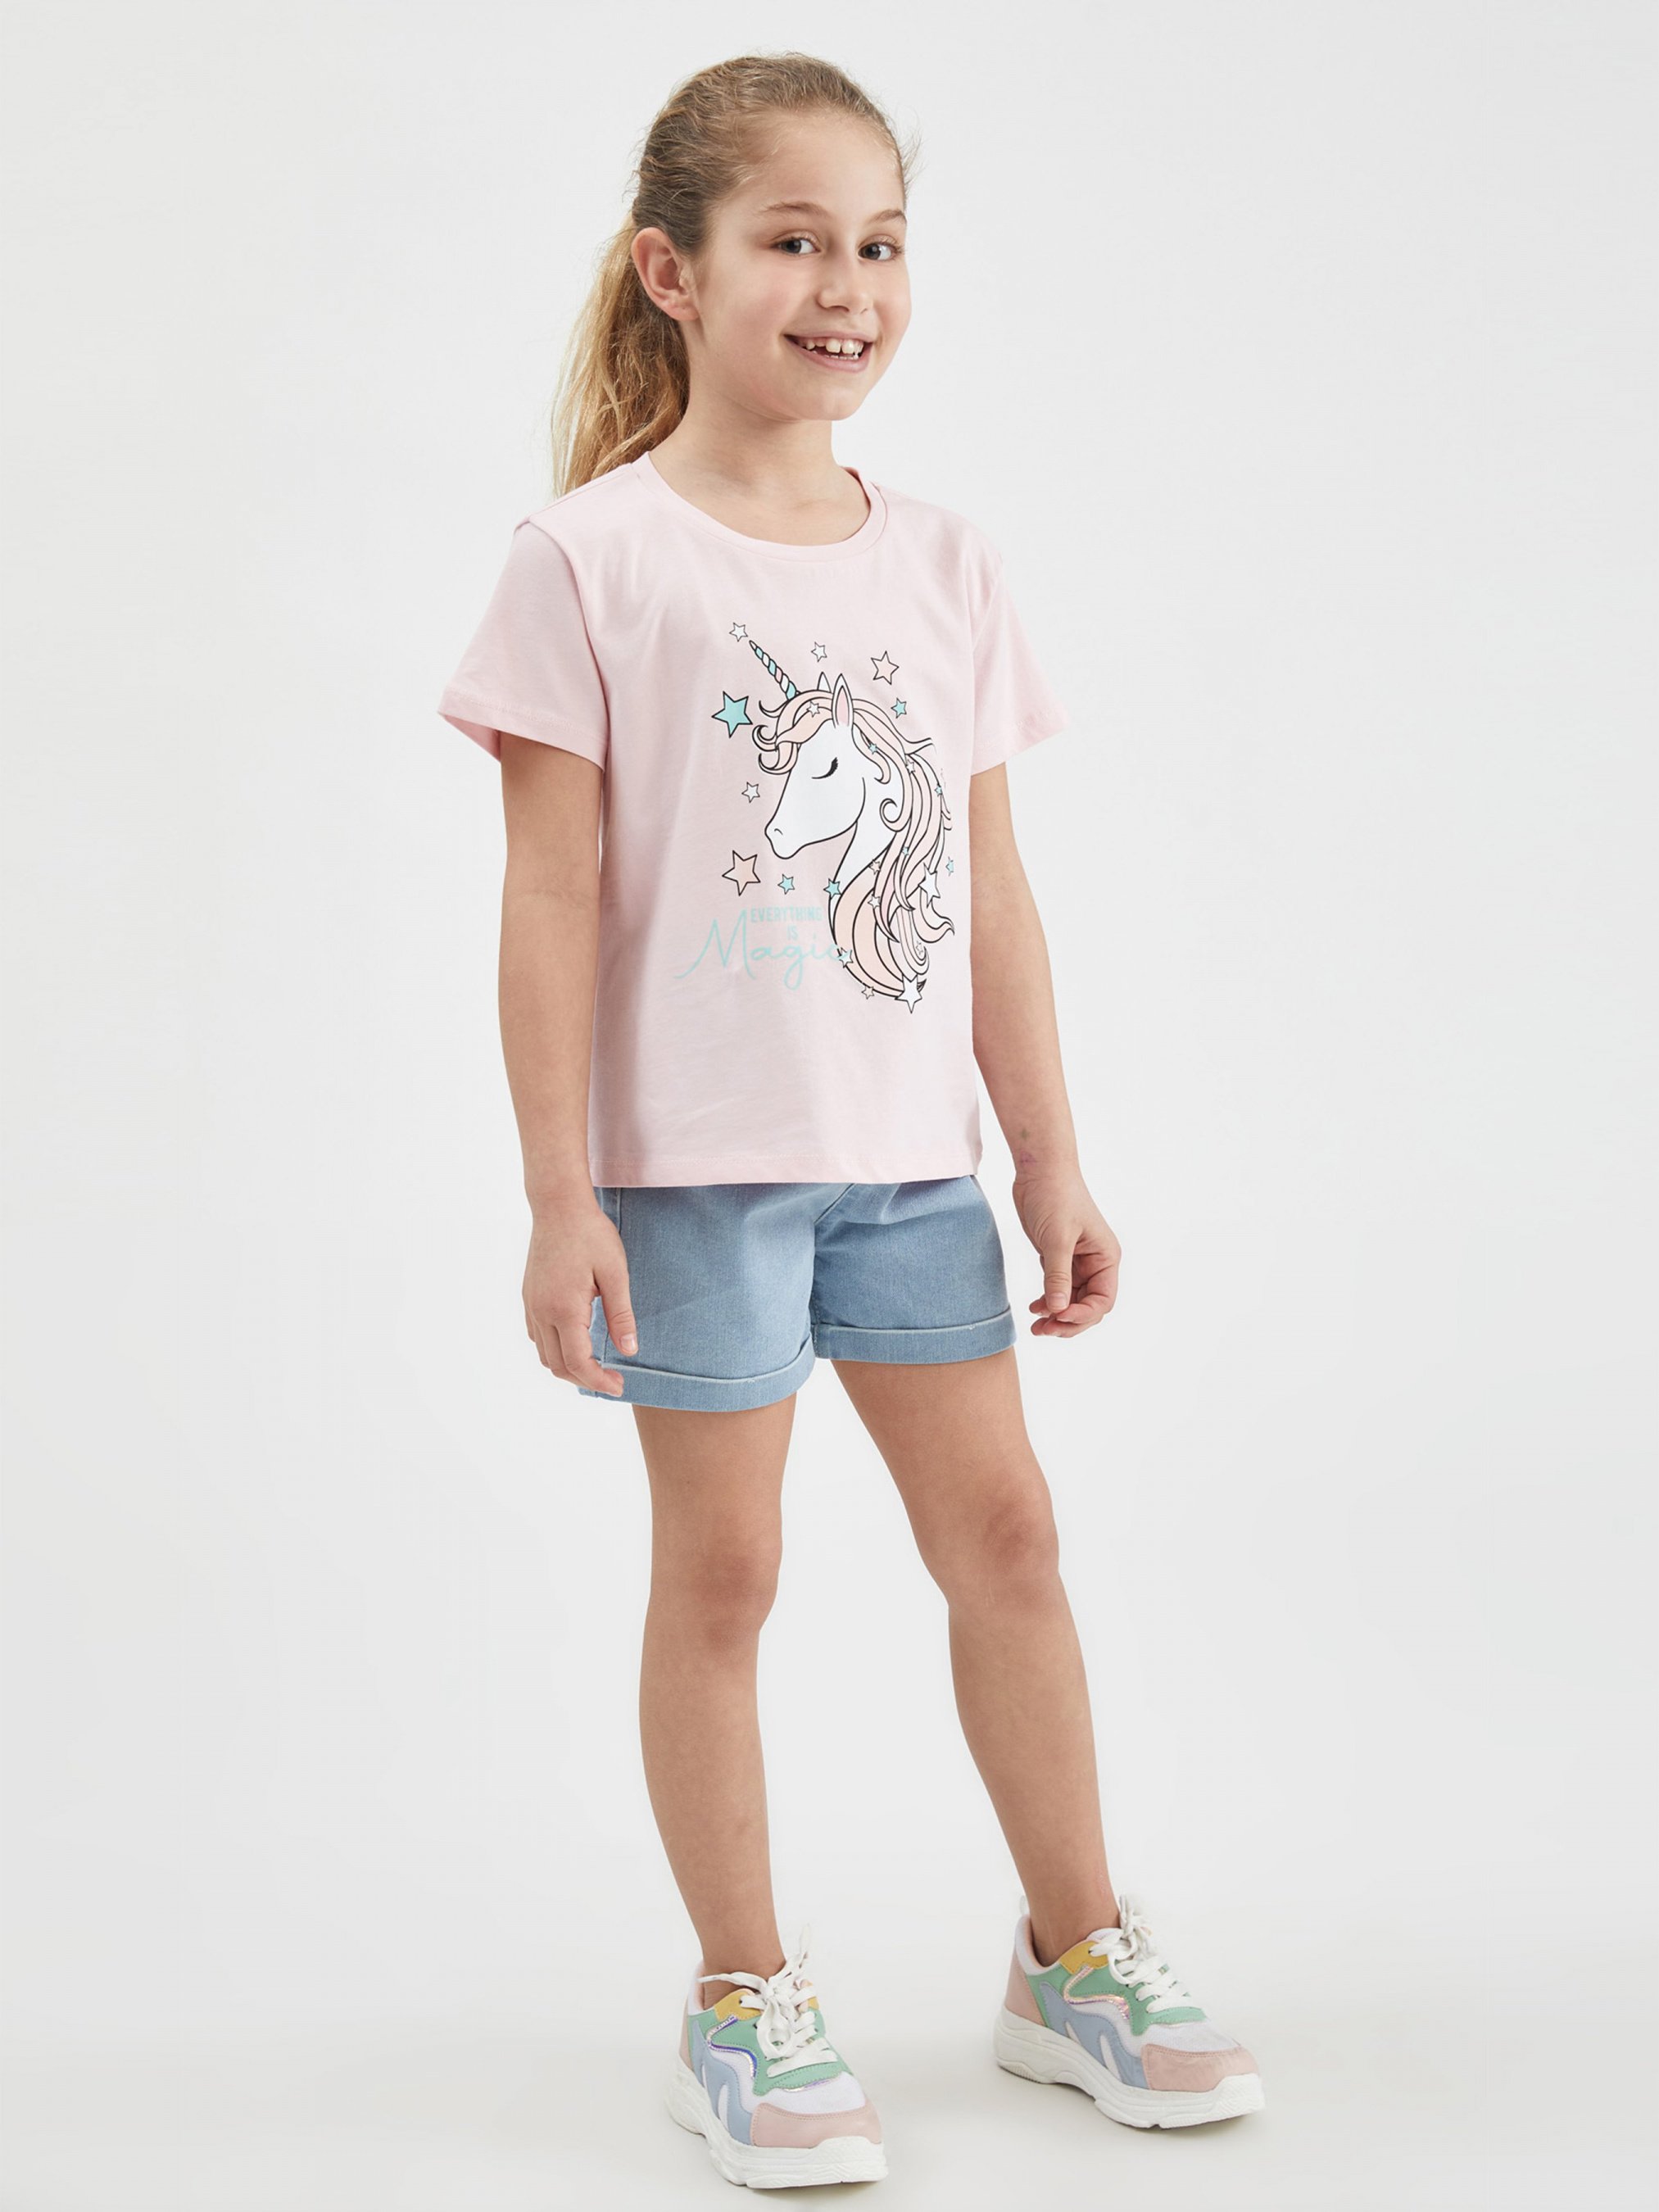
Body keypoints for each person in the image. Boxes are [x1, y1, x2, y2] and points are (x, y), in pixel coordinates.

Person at [437, 50, 1262, 2194]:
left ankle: (1073, 1952)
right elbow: (544, 901)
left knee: (1010, 1542)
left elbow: (991, 893)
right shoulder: (589, 559)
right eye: (793, 240)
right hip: (691, 1186)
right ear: (673, 272)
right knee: (723, 1572)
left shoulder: (946, 563)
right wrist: (554, 1193)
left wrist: (1048, 1154)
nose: (847, 287)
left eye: (879, 243)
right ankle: (741, 1992)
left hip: (912, 1174)